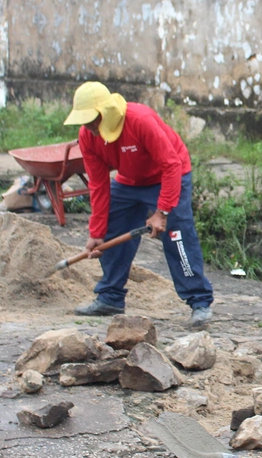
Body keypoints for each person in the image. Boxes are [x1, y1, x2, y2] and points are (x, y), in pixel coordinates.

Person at [62, 81, 214, 326]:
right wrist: (97, 232)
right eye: (84, 121)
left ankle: (199, 301)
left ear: (106, 112)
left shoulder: (139, 120)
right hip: (130, 181)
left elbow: (171, 165)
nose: (89, 127)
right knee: (111, 227)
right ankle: (110, 298)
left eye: (93, 120)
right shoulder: (87, 137)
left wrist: (162, 211)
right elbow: (98, 185)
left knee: (177, 235)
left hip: (169, 174)